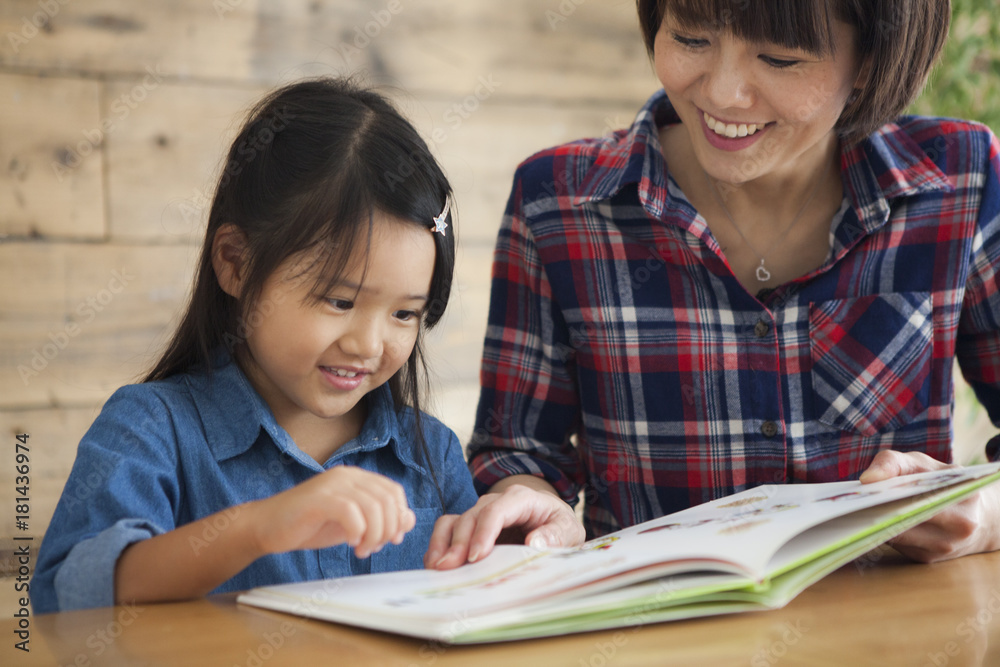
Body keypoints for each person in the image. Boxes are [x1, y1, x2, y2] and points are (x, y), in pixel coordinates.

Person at [426, 0, 1000, 570]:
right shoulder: (557, 203)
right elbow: (518, 453)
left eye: (779, 58)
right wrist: (526, 504)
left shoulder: (959, 181)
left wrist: (984, 514)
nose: (723, 93)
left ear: (873, 62)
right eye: (692, 38)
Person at [32, 78, 477, 613]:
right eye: (338, 301)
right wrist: (258, 527)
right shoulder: (153, 428)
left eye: (405, 313)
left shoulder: (434, 455)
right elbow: (70, 599)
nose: (368, 343)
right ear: (236, 263)